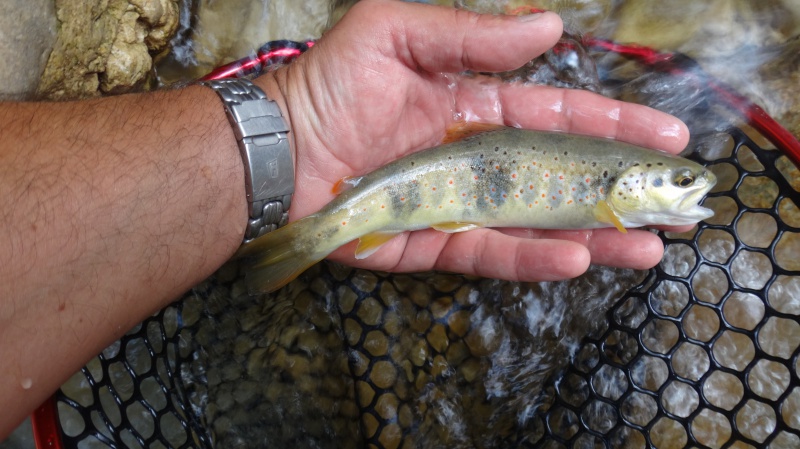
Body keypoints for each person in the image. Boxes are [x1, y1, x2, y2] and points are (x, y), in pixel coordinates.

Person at [0, 0, 691, 438]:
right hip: (413, 186)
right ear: (634, 183)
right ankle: (303, 236)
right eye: (681, 183)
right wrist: (294, 127)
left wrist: (288, 126)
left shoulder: (612, 189)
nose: (685, 193)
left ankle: (291, 232)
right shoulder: (609, 191)